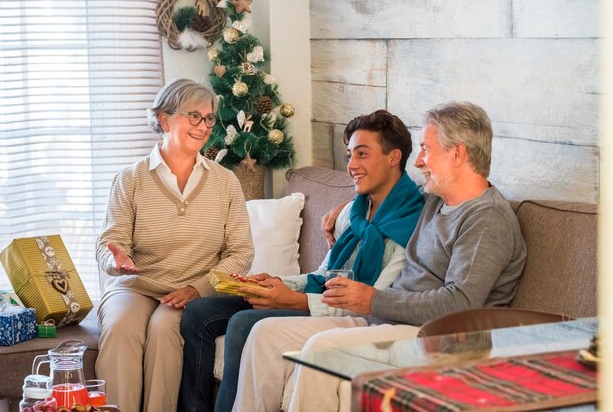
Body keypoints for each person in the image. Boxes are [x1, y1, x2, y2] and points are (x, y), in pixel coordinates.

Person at [233, 101, 528, 412]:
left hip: (438, 338)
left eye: (427, 149)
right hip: (389, 322)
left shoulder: (486, 219)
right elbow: (389, 193)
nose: (419, 162)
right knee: (264, 334)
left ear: (457, 153)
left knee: (320, 351)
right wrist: (347, 209)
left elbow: (461, 303)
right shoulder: (435, 201)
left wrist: (372, 300)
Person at [178, 110, 425, 412]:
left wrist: (295, 301)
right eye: (349, 155)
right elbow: (324, 274)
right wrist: (276, 283)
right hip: (321, 296)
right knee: (199, 313)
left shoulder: (413, 224)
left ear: (393, 157)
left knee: (244, 324)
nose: (352, 166)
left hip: (355, 315)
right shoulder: (355, 211)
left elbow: (376, 303)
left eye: (362, 155)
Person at [94, 79, 254, 412]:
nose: (204, 126)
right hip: (135, 286)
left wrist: (199, 287)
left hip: (190, 290)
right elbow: (110, 243)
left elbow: (241, 252)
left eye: (209, 118)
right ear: (165, 120)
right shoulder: (131, 178)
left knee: (165, 330)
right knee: (121, 328)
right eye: (193, 116)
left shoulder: (225, 182)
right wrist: (116, 260)